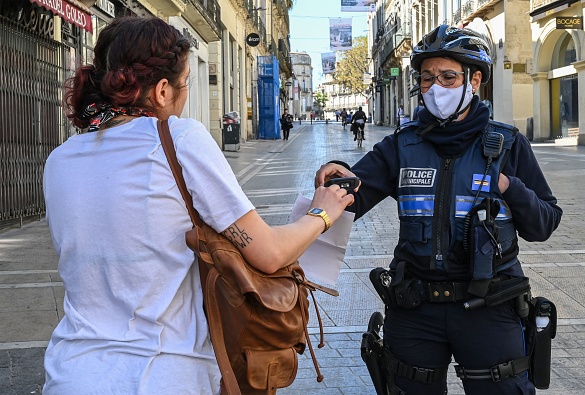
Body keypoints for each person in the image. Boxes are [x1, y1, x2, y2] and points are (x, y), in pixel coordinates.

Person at [42, 16, 354, 394]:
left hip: (71, 373)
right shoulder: (177, 137)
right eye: (185, 83)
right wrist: (323, 212)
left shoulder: (59, 159)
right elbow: (269, 253)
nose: (185, 94)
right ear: (161, 91)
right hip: (162, 375)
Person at [315, 24, 562, 395]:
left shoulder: (508, 144)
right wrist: (336, 179)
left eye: (448, 77)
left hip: (490, 307)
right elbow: (353, 196)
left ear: (474, 80)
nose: (435, 87)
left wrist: (509, 186)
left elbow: (544, 223)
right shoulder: (401, 145)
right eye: (427, 78)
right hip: (415, 309)